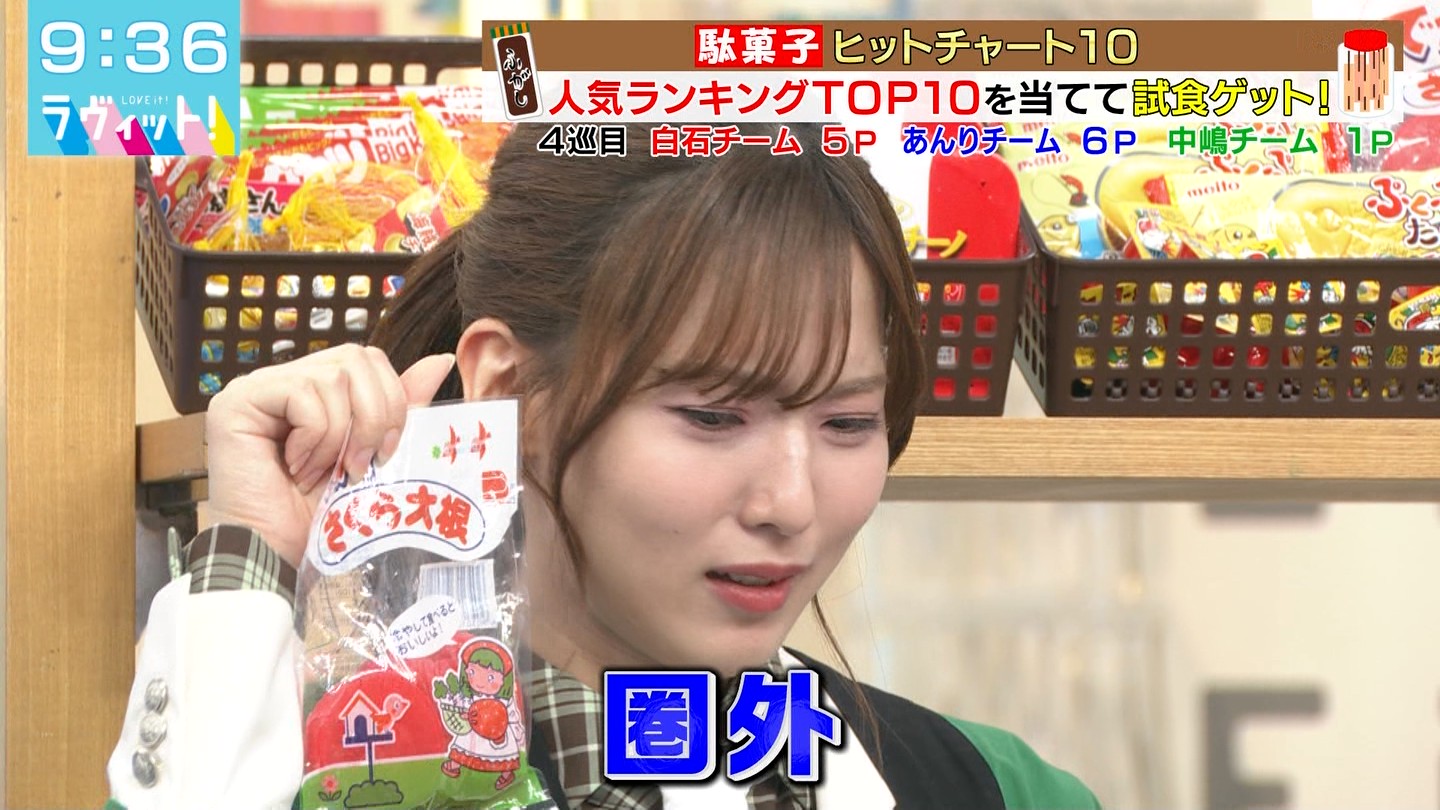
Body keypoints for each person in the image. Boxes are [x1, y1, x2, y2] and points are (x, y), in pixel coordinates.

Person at [105, 122, 1102, 810]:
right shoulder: (317, 765)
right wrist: (253, 561)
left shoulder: (987, 787)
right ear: (508, 386)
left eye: (847, 422)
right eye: (713, 416)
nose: (791, 504)